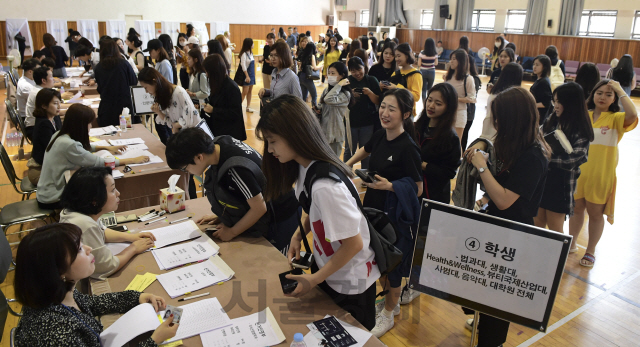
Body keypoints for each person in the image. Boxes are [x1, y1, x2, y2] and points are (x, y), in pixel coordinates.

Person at [256, 94, 380, 330]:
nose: (270, 149)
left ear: (295, 135)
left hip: (351, 283)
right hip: (331, 272)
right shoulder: (305, 167)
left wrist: (313, 279)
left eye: (273, 141)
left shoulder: (326, 187)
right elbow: (314, 210)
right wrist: (297, 235)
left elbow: (353, 244)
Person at [465, 87, 550, 347]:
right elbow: (496, 186)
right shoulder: (510, 143)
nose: (496, 123)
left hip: (514, 233)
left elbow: (504, 199)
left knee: (498, 301)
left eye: (500, 117)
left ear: (514, 118)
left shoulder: (534, 156)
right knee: (480, 289)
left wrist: (481, 166)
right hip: (494, 226)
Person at [13, 223, 177, 346]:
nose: (89, 249)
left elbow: (90, 303)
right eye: (78, 249)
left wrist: (136, 297)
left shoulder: (57, 292)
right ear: (57, 270)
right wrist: (154, 341)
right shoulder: (58, 334)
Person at [345, 89, 422, 337]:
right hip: (374, 210)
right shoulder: (380, 136)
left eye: (392, 109)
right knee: (379, 260)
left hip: (395, 215)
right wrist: (346, 164)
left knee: (392, 266)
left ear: (406, 114)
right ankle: (393, 303)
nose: (384, 113)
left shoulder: (408, 147)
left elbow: (418, 188)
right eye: (383, 106)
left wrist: (390, 185)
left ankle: (388, 314)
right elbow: (365, 150)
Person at [166, 128, 299, 254]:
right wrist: (224, 214)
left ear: (199, 157)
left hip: (282, 214)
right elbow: (240, 195)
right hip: (265, 205)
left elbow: (259, 208)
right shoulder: (219, 143)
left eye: (185, 168)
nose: (187, 172)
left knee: (281, 265)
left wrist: (232, 232)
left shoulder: (235, 169)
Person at [569, 79, 638, 267]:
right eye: (599, 93)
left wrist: (618, 88)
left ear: (614, 98)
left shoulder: (616, 118)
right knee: (576, 210)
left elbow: (633, 114)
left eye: (609, 94)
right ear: (593, 94)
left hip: (601, 175)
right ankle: (572, 243)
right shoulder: (585, 115)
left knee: (596, 213)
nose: (603, 97)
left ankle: (590, 251)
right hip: (579, 173)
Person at [37, 104, 149, 210]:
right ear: (80, 124)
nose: (90, 126)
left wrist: (107, 148)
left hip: (45, 190)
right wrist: (133, 160)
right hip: (53, 197)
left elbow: (83, 148)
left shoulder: (59, 134)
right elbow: (98, 162)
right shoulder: (69, 145)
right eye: (89, 123)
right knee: (96, 191)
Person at [60, 168, 156, 279]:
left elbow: (101, 231)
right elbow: (107, 266)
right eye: (112, 190)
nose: (118, 193)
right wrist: (133, 248)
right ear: (94, 200)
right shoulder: (84, 224)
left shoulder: (77, 211)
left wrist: (131, 237)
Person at [535, 82, 594, 234]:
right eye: (555, 101)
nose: (556, 105)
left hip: (561, 184)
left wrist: (545, 157)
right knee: (537, 222)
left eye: (560, 102)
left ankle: (556, 258)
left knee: (555, 228)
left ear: (571, 104)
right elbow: (538, 138)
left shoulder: (581, 129)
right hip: (543, 179)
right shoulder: (552, 120)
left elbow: (572, 161)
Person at [415, 82, 461, 204]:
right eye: (429, 100)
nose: (431, 106)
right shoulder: (418, 126)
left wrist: (423, 165)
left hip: (433, 195)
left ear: (448, 107)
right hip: (412, 188)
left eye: (438, 103)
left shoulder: (451, 138)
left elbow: (449, 172)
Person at [138, 67, 201, 143]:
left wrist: (176, 126)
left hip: (194, 138)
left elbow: (192, 119)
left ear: (154, 81)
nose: (146, 91)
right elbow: (170, 122)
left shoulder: (178, 92)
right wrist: (158, 112)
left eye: (146, 88)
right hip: (182, 138)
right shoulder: (164, 95)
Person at [344, 57, 381, 169]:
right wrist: (350, 95)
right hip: (351, 122)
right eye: (353, 71)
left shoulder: (371, 80)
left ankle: (365, 175)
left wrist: (369, 93)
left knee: (366, 151)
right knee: (349, 150)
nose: (357, 73)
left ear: (364, 67)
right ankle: (346, 173)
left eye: (359, 69)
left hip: (367, 122)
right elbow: (341, 102)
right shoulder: (346, 81)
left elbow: (379, 101)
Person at [93, 39, 138, 127]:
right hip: (124, 104)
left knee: (108, 132)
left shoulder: (99, 67)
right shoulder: (124, 64)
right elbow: (133, 81)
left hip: (107, 105)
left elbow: (100, 87)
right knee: (127, 131)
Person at [314, 62, 354, 156]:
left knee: (333, 164)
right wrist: (317, 109)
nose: (330, 75)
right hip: (323, 132)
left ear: (342, 75)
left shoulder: (345, 94)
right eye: (329, 73)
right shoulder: (326, 90)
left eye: (333, 73)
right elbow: (321, 104)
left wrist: (339, 85)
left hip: (335, 135)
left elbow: (328, 99)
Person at [202, 54, 245, 140]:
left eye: (207, 72)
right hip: (219, 130)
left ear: (214, 72)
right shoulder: (218, 84)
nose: (206, 75)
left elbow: (235, 113)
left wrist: (214, 110)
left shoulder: (231, 87)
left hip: (230, 134)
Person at [27, 88, 61, 186]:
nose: (59, 106)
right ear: (44, 106)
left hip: (48, 166)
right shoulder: (44, 124)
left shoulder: (54, 117)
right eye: (55, 103)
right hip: (39, 171)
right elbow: (53, 151)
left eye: (59, 102)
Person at [444, 49, 476, 142]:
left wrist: (456, 99)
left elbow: (472, 98)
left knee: (456, 142)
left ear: (461, 61)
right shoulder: (448, 76)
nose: (451, 61)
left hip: (460, 112)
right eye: (451, 59)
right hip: (446, 112)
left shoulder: (468, 79)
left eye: (454, 59)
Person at [383, 43, 422, 114]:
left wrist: (397, 87)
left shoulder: (416, 74)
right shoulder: (396, 73)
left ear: (407, 56)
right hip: (394, 109)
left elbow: (416, 97)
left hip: (406, 111)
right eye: (395, 56)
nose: (396, 59)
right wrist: (383, 86)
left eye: (399, 56)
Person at [24, 66, 55, 140]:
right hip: (35, 129)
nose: (53, 79)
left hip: (38, 125)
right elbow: (55, 110)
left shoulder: (39, 89)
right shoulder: (39, 94)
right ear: (44, 81)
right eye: (51, 77)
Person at [297, 36, 322, 107]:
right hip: (307, 77)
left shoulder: (303, 55)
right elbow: (315, 68)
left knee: (303, 97)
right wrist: (321, 66)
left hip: (301, 76)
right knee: (314, 95)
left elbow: (300, 67)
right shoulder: (312, 56)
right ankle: (314, 110)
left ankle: (302, 110)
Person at [232, 38, 256, 113]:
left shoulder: (251, 53)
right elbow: (243, 66)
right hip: (246, 74)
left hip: (252, 74)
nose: (253, 45)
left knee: (250, 91)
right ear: (249, 44)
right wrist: (247, 76)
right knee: (245, 92)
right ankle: (238, 107)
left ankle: (248, 106)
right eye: (252, 43)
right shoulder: (244, 54)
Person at [186, 48, 210, 117]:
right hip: (194, 105)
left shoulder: (201, 74)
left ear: (196, 60)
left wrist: (193, 94)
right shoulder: (192, 73)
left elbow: (205, 93)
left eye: (189, 59)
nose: (187, 61)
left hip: (200, 106)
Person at [530, 55, 553, 125]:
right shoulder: (539, 79)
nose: (534, 67)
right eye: (534, 64)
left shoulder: (544, 82)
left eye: (537, 65)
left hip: (539, 115)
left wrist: (530, 104)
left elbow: (546, 103)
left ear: (544, 67)